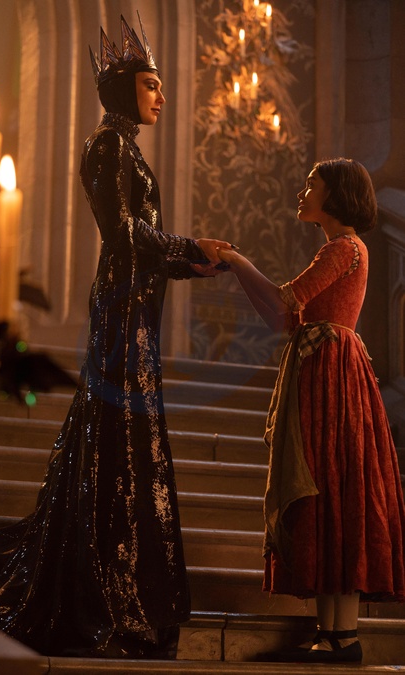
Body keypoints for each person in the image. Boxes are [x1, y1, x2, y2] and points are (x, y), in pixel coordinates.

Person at [0, 15, 233, 658]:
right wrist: (188, 245)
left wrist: (192, 264)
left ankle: (123, 580)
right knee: (118, 436)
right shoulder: (106, 146)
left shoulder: (126, 147)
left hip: (137, 309)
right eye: (151, 84)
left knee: (120, 438)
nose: (162, 95)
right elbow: (124, 234)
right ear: (121, 89)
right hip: (120, 312)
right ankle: (109, 588)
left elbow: (142, 245)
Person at [217, 157, 405, 664]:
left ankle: (343, 635)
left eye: (311, 184)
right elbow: (282, 317)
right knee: (329, 492)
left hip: (331, 373)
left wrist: (237, 260)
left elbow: (285, 301)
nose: (302, 192)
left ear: (335, 194)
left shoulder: (343, 248)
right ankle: (335, 634)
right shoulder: (343, 248)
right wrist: (237, 267)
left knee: (330, 487)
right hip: (323, 368)